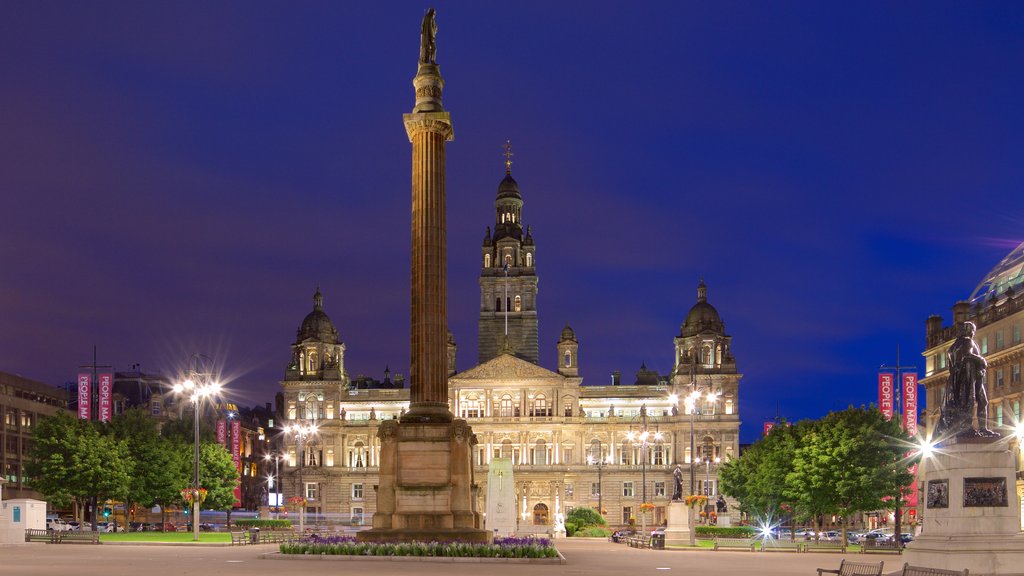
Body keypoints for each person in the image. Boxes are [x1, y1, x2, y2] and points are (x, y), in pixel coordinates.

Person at [937, 321, 998, 437]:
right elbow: (967, 355)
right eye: (972, 330)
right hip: (970, 377)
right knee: (977, 401)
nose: (973, 333)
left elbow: (950, 368)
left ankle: (970, 428)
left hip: (955, 379)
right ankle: (975, 428)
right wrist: (981, 360)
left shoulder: (952, 347)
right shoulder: (967, 341)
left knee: (964, 403)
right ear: (969, 331)